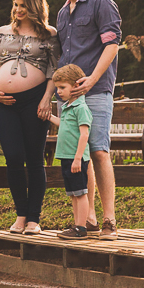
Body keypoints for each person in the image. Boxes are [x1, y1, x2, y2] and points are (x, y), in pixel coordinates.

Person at [44, 0, 122, 241]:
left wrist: (92, 80)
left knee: (99, 151)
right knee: (80, 155)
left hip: (97, 90)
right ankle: (86, 219)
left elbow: (112, 46)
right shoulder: (63, 13)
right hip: (68, 98)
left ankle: (109, 220)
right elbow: (63, 57)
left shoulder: (102, 4)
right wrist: (52, 94)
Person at [0, 0, 61, 235]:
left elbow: (54, 70)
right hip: (4, 103)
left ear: (35, 6)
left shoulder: (49, 34)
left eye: (23, 6)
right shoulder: (2, 32)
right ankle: (20, 214)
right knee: (13, 157)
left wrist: (46, 98)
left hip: (35, 100)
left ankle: (33, 219)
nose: (18, 10)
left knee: (35, 159)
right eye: (16, 5)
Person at [49, 64, 94, 239]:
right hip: (66, 157)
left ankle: (81, 228)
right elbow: (65, 125)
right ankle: (77, 225)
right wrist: (51, 118)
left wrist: (77, 159)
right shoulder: (68, 106)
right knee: (73, 193)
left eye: (62, 87)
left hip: (77, 158)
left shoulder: (81, 108)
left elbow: (84, 135)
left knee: (81, 192)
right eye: (57, 88)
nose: (58, 91)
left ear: (76, 86)